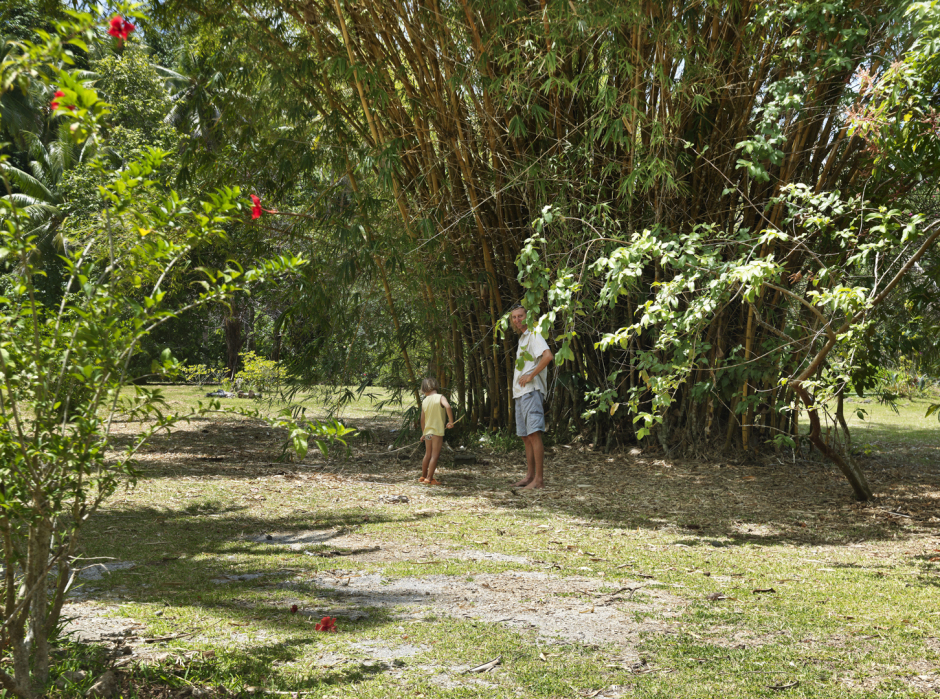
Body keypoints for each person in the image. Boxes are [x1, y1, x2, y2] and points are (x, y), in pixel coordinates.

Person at [509, 305, 553, 489]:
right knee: (525, 436)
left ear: (528, 316)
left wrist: (531, 376)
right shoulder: (523, 338)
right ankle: (530, 476)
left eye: (520, 316)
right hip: (520, 393)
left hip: (531, 391)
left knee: (534, 434)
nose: (517, 320)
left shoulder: (534, 334)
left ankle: (539, 480)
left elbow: (548, 356)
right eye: (514, 317)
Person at [419, 377, 454, 485]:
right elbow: (448, 406)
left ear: (424, 389)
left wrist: (423, 433)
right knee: (434, 456)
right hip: (437, 432)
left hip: (428, 433)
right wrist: (451, 421)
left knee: (427, 455)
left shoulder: (425, 401)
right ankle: (429, 478)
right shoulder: (440, 397)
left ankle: (423, 476)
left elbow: (422, 420)